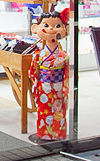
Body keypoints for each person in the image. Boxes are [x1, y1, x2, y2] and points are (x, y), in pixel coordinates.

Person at [28, 8, 70, 142]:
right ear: (35, 28)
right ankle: (44, 133)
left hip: (58, 88)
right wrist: (37, 86)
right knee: (44, 111)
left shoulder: (64, 56)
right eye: (46, 25)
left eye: (57, 26)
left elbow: (68, 75)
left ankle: (58, 133)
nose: (51, 29)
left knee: (59, 112)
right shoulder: (38, 55)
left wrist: (65, 89)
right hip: (44, 87)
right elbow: (34, 73)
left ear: (65, 29)